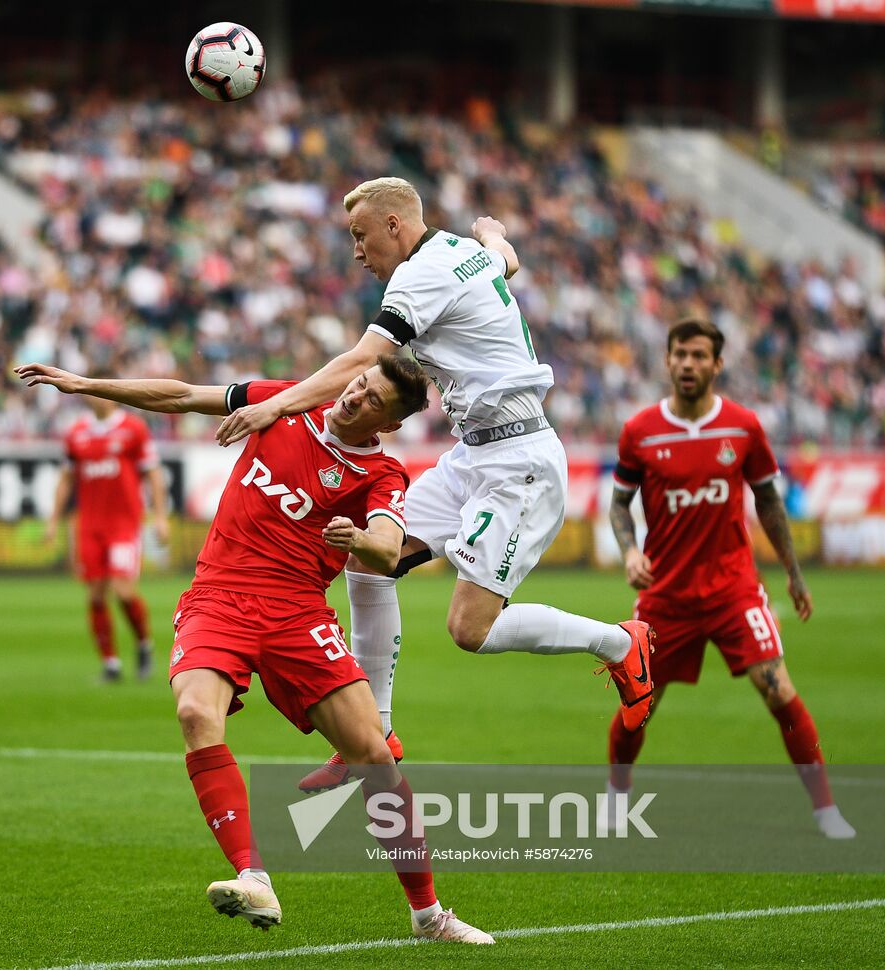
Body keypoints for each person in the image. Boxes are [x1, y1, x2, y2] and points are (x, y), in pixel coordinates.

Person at [17, 354, 494, 945]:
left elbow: (389, 550)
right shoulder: (288, 401)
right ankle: (254, 874)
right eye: (359, 384)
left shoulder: (381, 474)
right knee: (195, 712)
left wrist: (360, 541)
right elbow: (182, 396)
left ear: (390, 423)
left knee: (373, 755)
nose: (356, 397)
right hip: (219, 596)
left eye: (374, 401)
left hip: (298, 611)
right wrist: (87, 384)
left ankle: (429, 915)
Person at [213, 177, 654, 790]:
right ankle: (377, 732)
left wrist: (276, 406)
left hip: (519, 462)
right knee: (369, 554)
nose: (357, 251)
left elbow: (360, 362)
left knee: (469, 630)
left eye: (361, 235)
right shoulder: (457, 250)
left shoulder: (417, 276)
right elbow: (506, 260)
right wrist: (493, 234)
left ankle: (618, 643)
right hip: (473, 454)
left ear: (395, 225)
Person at [604, 317, 854, 839]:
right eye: (680, 354)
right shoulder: (640, 431)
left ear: (717, 364)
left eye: (699, 355)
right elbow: (620, 504)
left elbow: (768, 501)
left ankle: (826, 810)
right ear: (668, 360)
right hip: (665, 596)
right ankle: (616, 799)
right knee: (638, 705)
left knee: (779, 690)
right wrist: (629, 552)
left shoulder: (743, 426)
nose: (688, 364)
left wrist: (793, 573)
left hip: (732, 589)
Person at [46, 382, 170, 681]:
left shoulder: (133, 429)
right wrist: (53, 519)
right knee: (96, 595)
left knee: (123, 590)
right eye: (89, 392)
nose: (94, 398)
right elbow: (66, 479)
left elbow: (152, 473)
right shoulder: (76, 432)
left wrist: (160, 516)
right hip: (89, 524)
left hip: (124, 524)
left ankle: (143, 642)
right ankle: (111, 664)